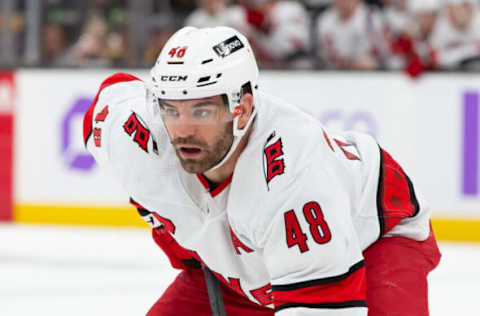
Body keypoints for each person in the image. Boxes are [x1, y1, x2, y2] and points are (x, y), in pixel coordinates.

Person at [83, 26, 441, 315]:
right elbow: (110, 96)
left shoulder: (294, 180)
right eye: (172, 109)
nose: (183, 129)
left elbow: (321, 307)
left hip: (374, 240)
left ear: (242, 108)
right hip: (242, 273)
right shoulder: (135, 136)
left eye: (202, 111)